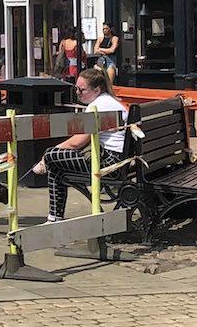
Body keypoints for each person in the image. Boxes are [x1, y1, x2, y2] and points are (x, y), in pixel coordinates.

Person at [33, 68, 127, 222]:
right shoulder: (111, 101)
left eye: (81, 89)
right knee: (57, 167)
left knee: (51, 156)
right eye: (76, 88)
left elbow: (77, 142)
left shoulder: (96, 107)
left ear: (96, 90)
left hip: (108, 163)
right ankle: (53, 217)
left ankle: (54, 217)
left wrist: (45, 157)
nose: (77, 92)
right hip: (120, 159)